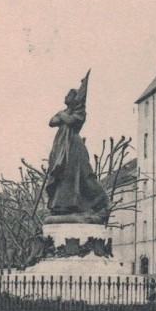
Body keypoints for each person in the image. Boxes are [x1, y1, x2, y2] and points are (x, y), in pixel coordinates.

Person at [44, 70, 110, 222]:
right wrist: (62, 114)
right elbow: (51, 122)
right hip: (61, 146)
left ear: (74, 98)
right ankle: (62, 206)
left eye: (68, 95)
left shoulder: (80, 112)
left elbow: (71, 121)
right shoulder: (65, 111)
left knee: (78, 175)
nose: (64, 97)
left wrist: (62, 115)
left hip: (73, 147)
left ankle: (100, 202)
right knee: (62, 177)